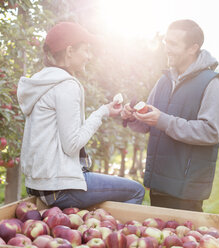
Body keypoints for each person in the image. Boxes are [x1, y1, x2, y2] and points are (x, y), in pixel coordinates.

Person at [17, 22, 145, 209]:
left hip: (40, 186)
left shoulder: (43, 82)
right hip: (61, 188)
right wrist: (101, 113)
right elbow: (72, 145)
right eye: (86, 50)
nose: (89, 56)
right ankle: (103, 234)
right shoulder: (67, 85)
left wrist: (105, 110)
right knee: (137, 190)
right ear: (70, 51)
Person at [121, 19, 219, 212]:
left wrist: (163, 121)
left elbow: (210, 132)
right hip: (158, 184)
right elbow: (149, 123)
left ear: (192, 48)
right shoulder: (164, 81)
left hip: (185, 189)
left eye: (173, 44)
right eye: (165, 43)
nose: (166, 49)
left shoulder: (213, 83)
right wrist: (133, 117)